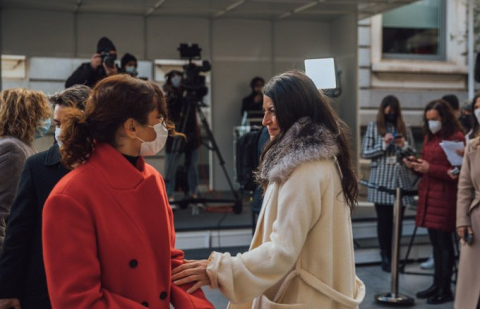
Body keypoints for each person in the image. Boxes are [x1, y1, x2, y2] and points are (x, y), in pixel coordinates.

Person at [172, 70, 365, 308]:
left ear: (295, 108)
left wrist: (218, 270)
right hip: (313, 293)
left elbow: (282, 251)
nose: (265, 121)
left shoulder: (304, 168)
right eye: (264, 111)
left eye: (272, 110)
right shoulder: (316, 158)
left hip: (303, 295)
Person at [42, 75, 213, 308]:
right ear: (132, 127)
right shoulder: (70, 196)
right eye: (158, 118)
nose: (165, 127)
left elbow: (169, 260)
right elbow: (77, 299)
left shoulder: (153, 179)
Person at [0, 85, 90, 309]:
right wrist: (8, 288)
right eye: (57, 124)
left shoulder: (105, 166)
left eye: (67, 124)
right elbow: (17, 231)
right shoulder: (34, 163)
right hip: (43, 287)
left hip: (88, 287)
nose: (59, 131)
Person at [403, 99, 465, 305]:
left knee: (444, 245)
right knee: (436, 245)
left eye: (435, 119)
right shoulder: (430, 137)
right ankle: (437, 284)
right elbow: (427, 164)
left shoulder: (455, 138)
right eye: (429, 119)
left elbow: (457, 171)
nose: (431, 123)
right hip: (429, 195)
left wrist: (430, 169)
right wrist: (414, 164)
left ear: (444, 118)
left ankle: (445, 288)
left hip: (445, 197)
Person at [361, 95, 415, 272]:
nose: (390, 115)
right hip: (381, 182)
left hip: (400, 181)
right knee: (384, 222)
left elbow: (413, 153)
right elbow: (366, 153)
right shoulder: (373, 127)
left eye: (393, 112)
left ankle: (395, 256)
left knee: (397, 222)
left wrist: (403, 144)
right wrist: (383, 145)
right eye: (387, 112)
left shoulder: (404, 126)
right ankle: (385, 255)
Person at [0, 88, 51, 252]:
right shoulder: (13, 149)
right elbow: (3, 210)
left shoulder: (21, 146)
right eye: (41, 115)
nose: (45, 121)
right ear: (28, 116)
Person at [163, 70, 201, 201]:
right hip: (173, 135)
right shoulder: (169, 95)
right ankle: (169, 195)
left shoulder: (188, 95)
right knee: (171, 166)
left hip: (190, 135)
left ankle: (194, 193)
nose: (176, 79)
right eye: (173, 77)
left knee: (192, 166)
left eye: (178, 76)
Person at [455, 121, 480, 309]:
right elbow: (465, 187)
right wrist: (462, 221)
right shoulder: (473, 145)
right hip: (477, 220)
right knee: (474, 286)